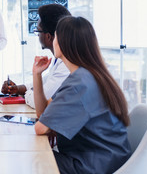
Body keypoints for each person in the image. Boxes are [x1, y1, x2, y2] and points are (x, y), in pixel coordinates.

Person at [33, 16, 131, 174]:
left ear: (64, 43)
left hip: (92, 165)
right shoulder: (85, 75)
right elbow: (43, 112)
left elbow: (40, 128)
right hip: (105, 159)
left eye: (56, 36)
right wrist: (36, 75)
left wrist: (48, 125)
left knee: (30, 157)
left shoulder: (80, 84)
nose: (53, 40)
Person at [1, 4, 71, 108]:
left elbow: (38, 101)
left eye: (38, 31)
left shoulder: (66, 66)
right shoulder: (59, 60)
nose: (37, 35)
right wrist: (18, 88)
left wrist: (27, 94)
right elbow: (45, 82)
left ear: (48, 36)